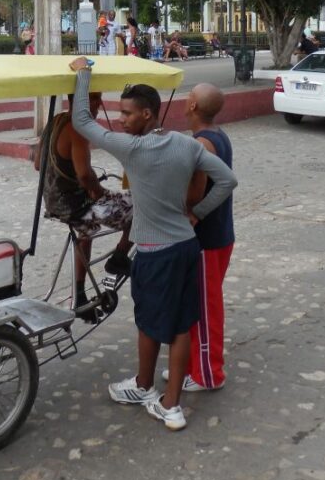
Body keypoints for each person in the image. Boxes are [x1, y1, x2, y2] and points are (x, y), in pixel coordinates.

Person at [68, 58, 237, 431]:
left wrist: (83, 73)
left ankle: (144, 386)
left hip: (155, 252)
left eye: (127, 113)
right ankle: (171, 405)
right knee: (180, 326)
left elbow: (80, 121)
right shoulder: (185, 143)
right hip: (187, 247)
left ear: (146, 114)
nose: (122, 119)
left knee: (148, 323)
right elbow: (227, 181)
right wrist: (197, 214)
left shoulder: (132, 149)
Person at [35, 92, 133, 321]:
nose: (99, 103)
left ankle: (79, 295)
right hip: (75, 204)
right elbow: (84, 175)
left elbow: (38, 164)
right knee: (141, 209)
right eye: (93, 98)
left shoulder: (56, 121)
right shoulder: (77, 128)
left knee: (85, 231)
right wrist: (101, 193)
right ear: (77, 100)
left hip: (54, 201)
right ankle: (119, 257)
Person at [177, 83, 234, 392]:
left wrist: (196, 212)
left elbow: (224, 184)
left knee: (207, 309)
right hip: (218, 235)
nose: (184, 103)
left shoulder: (203, 144)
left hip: (208, 239)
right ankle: (188, 365)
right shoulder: (216, 135)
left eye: (188, 98)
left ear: (195, 106)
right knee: (196, 304)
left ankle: (208, 374)